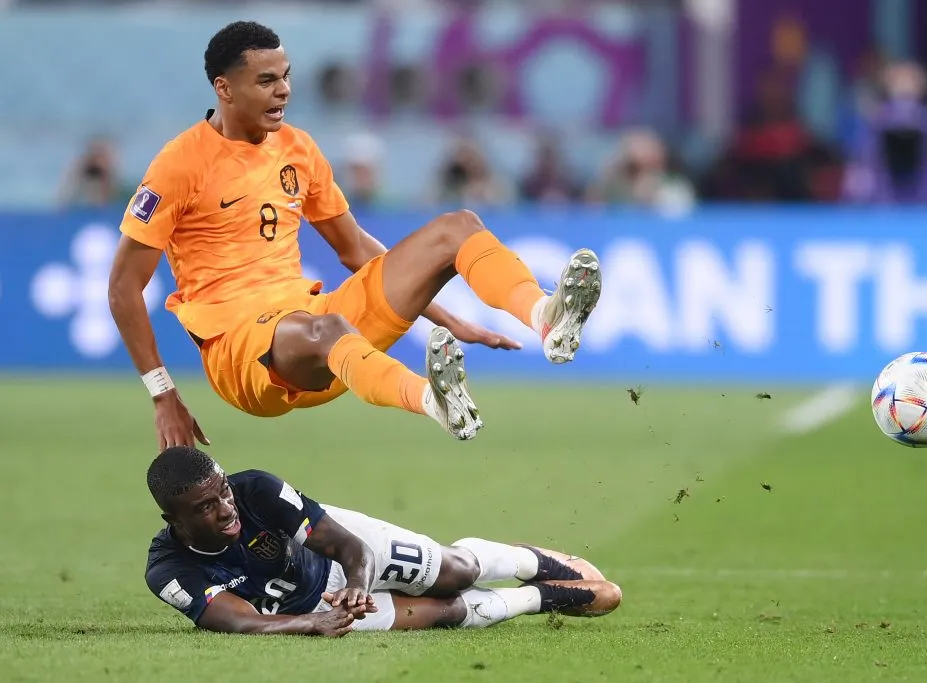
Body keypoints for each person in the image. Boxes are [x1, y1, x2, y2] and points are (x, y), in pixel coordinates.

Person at [107, 21, 603, 449]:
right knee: (327, 330)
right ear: (224, 88)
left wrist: (450, 318)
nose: (283, 91)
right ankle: (434, 400)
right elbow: (123, 288)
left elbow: (354, 249)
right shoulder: (178, 166)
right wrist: (163, 393)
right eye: (265, 81)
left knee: (459, 228)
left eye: (285, 77)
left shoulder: (297, 148)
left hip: (313, 323)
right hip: (239, 352)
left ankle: (544, 317)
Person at [145, 446, 622, 636]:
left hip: (342, 553)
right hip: (300, 608)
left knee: (454, 572)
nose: (226, 508)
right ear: (174, 519)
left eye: (222, 492)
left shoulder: (257, 490)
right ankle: (536, 598)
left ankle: (520, 558)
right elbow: (243, 624)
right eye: (206, 507)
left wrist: (356, 584)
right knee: (450, 612)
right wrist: (314, 622)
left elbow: (350, 548)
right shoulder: (167, 569)